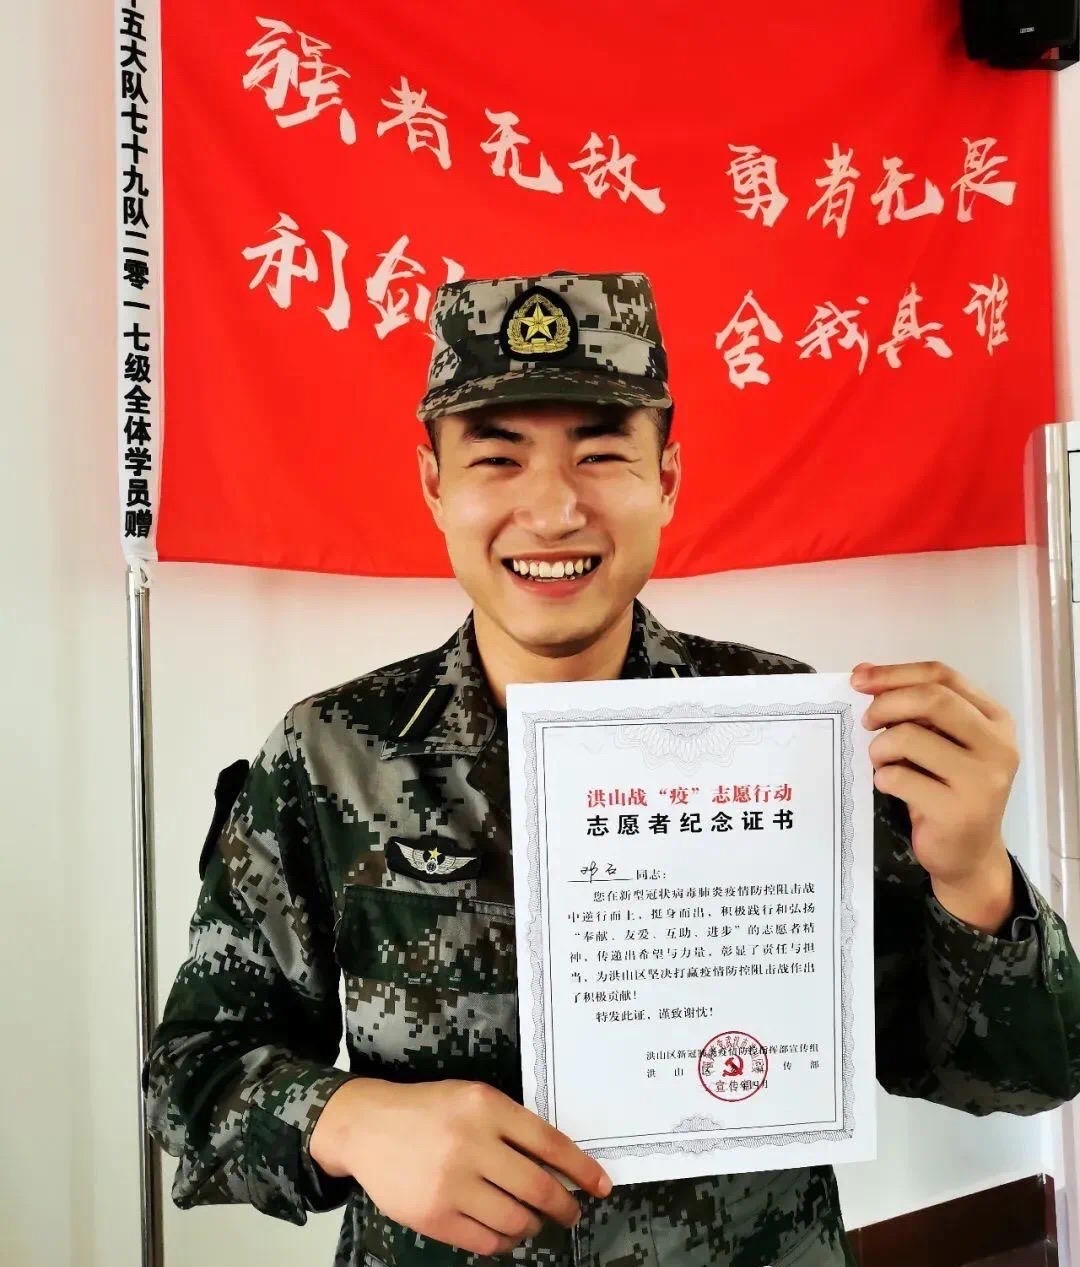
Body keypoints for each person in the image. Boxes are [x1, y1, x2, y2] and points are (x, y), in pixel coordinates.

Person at [143, 270, 1080, 1267]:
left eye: (600, 454)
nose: (552, 511)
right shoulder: (333, 753)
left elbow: (1025, 1071)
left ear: (667, 478)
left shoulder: (783, 737)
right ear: (434, 485)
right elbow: (190, 1079)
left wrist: (974, 875)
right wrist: (350, 1120)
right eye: (497, 458)